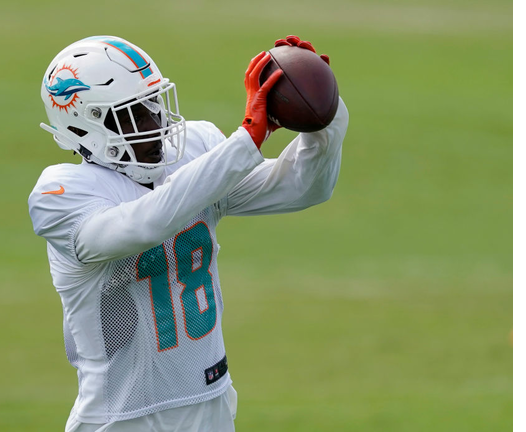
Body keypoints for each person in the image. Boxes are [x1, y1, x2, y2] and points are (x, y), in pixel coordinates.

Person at [28, 35, 349, 432]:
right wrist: (245, 142)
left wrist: (323, 113)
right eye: (133, 115)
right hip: (122, 418)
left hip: (211, 406)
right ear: (86, 125)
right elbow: (143, 224)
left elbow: (305, 186)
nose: (154, 124)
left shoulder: (193, 155)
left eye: (153, 104)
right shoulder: (59, 195)